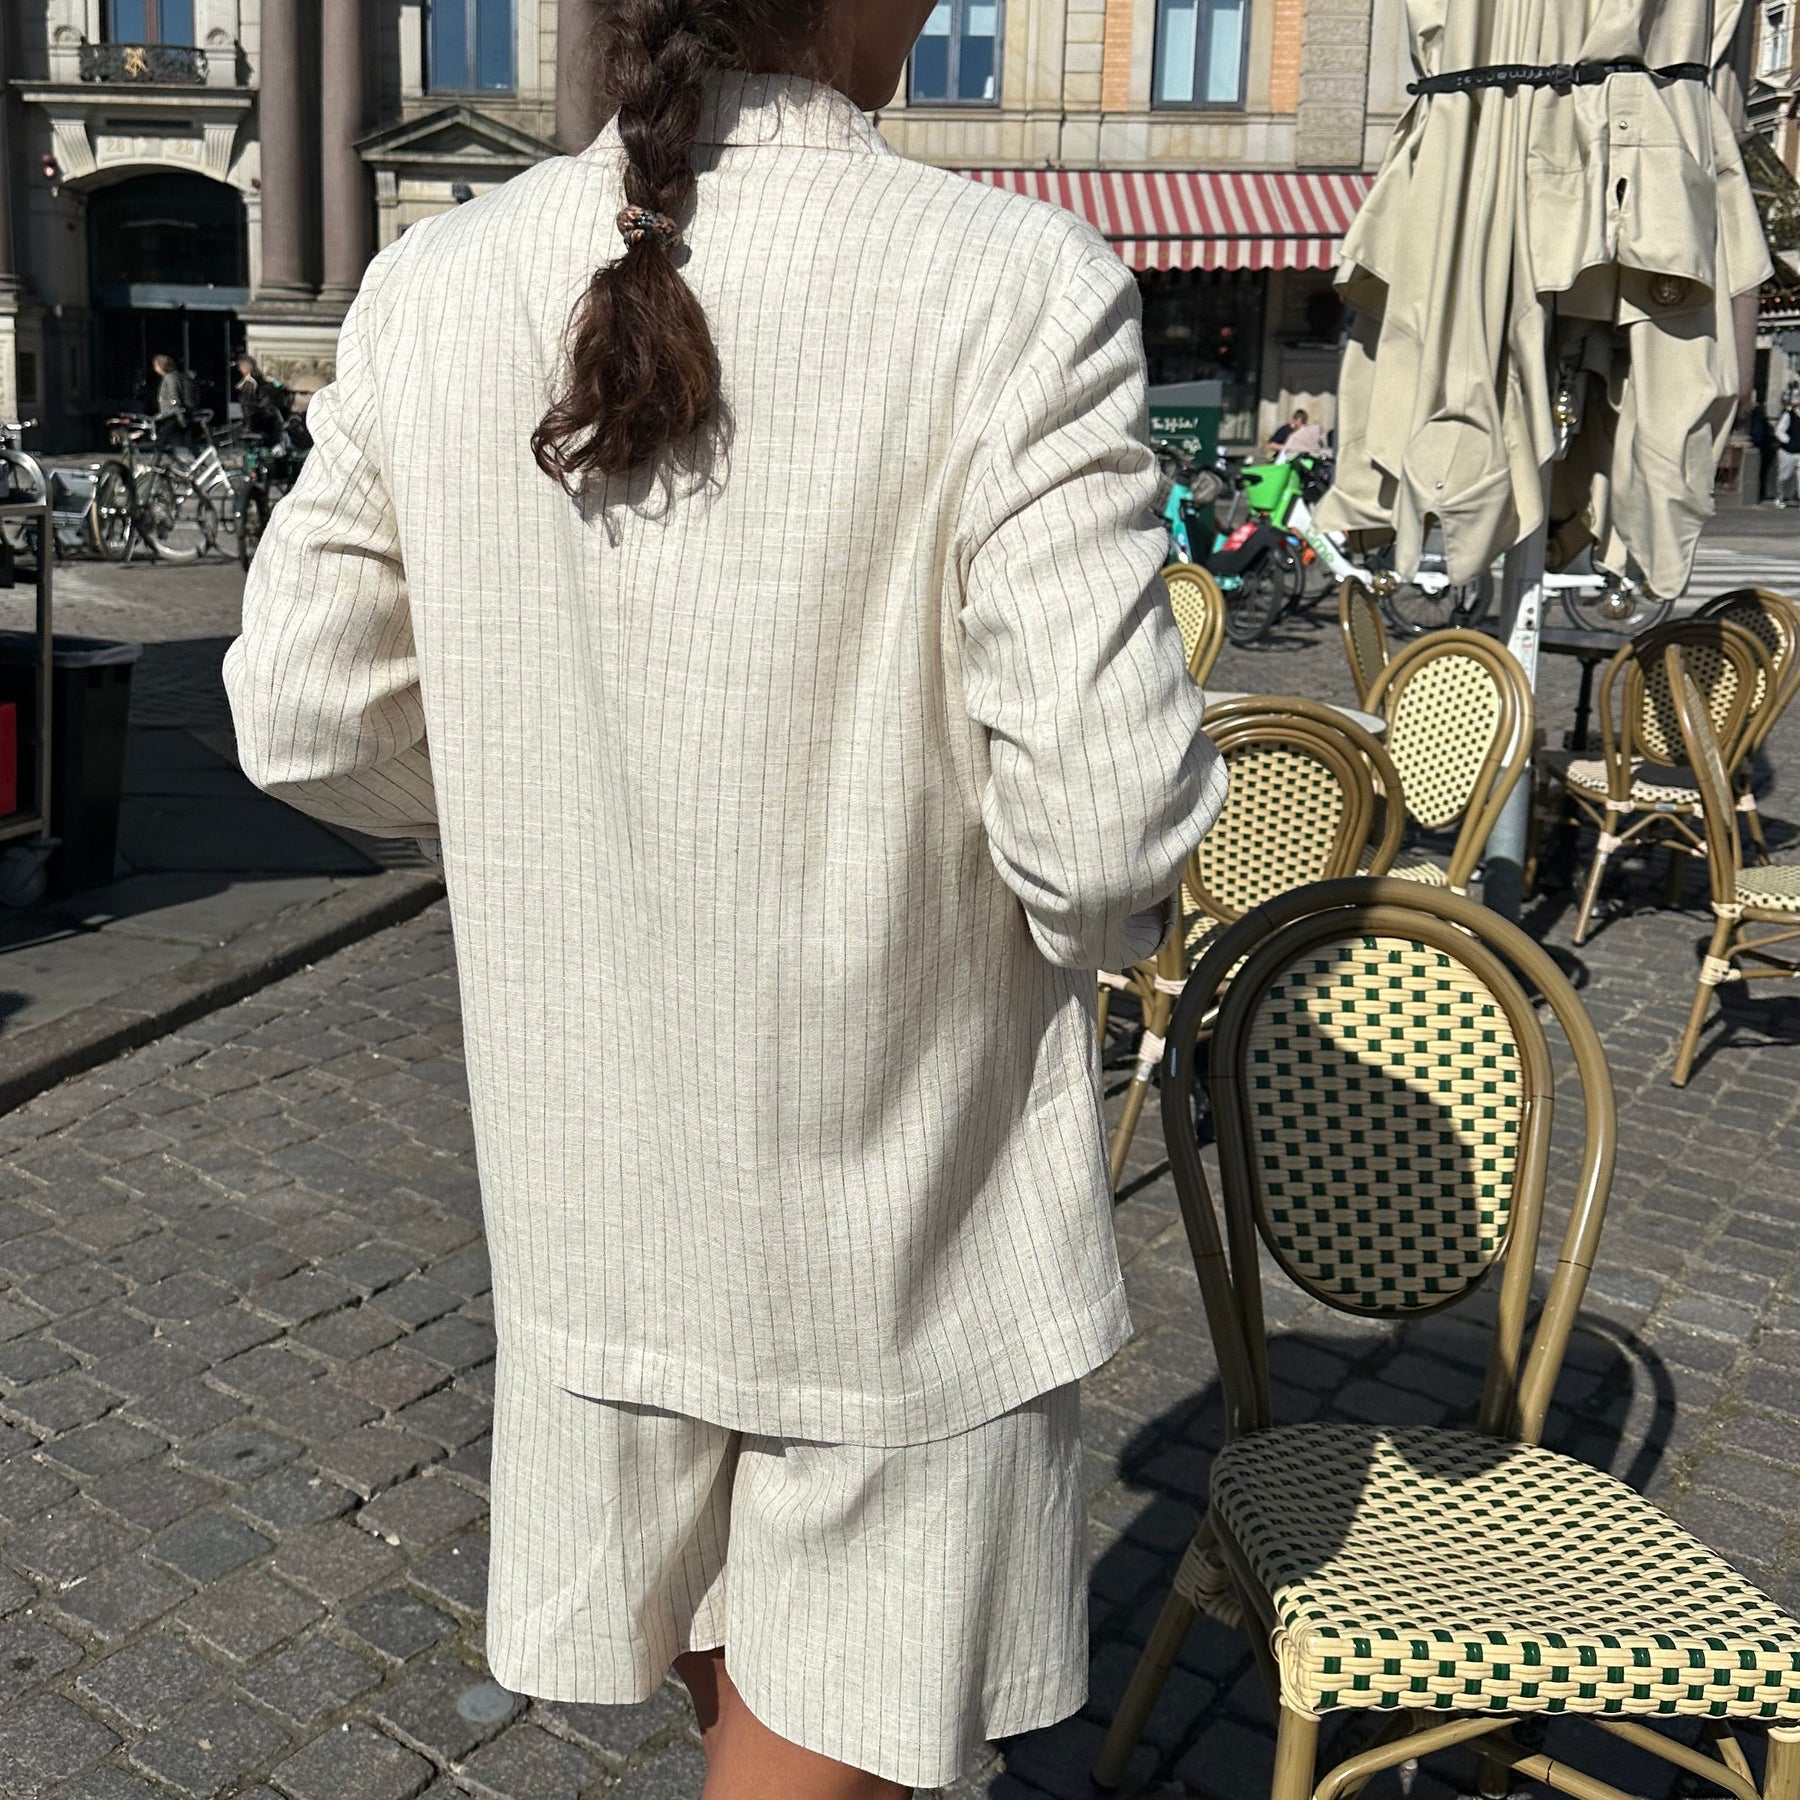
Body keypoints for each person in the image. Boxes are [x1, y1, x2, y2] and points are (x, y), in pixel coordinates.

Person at [224, 5, 1225, 1796]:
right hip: (893, 1243)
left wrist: (543, 812)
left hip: (597, 1215)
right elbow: (1102, 835)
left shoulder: (432, 284)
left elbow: (304, 714)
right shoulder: (1009, 284)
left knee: (746, 1720)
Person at [150, 352, 196, 450]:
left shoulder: (170, 378)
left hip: (172, 416)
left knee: (162, 443)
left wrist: (180, 416)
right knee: (172, 443)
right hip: (170, 415)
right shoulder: (171, 377)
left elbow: (174, 397)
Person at [1777, 398, 1800, 507]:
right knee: (1784, 476)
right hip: (1788, 452)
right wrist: (1789, 442)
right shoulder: (1789, 415)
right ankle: (1780, 497)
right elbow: (1779, 431)